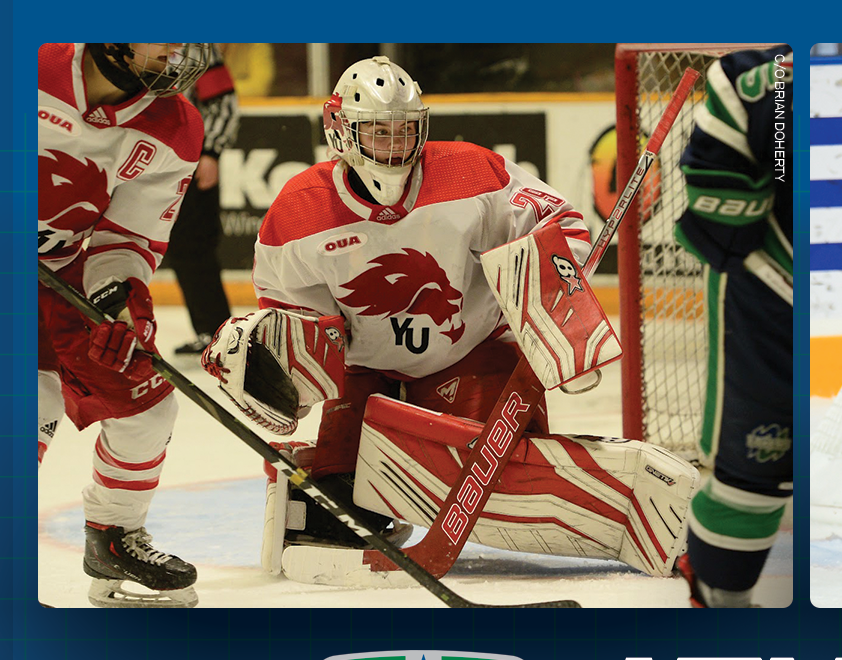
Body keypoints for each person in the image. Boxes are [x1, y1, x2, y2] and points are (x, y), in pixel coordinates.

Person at [200, 56, 696, 581]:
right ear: (342, 132)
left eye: (404, 132)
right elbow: (291, 325)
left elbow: (562, 220)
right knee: (333, 512)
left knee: (498, 479)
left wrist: (553, 307)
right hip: (365, 371)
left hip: (471, 351)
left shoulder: (471, 170)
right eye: (378, 133)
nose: (395, 146)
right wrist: (265, 367)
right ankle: (318, 464)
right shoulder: (297, 212)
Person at [37, 43, 207, 607]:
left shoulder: (176, 125)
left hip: (63, 272)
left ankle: (112, 537)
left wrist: (117, 305)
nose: (180, 50)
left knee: (148, 408)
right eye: (166, 34)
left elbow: (126, 239)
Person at [671, 47, 794, 608]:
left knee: (755, 460)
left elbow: (722, 219)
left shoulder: (759, 79)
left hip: (771, 294)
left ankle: (720, 586)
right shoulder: (761, 80)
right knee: (759, 458)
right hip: (774, 294)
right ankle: (719, 583)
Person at [165, 44, 240, 354]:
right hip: (160, 162)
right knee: (180, 249)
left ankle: (218, 330)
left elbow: (225, 103)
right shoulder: (135, 44)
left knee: (195, 246)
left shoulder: (199, 49)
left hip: (192, 161)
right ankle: (208, 330)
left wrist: (211, 151)